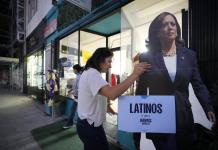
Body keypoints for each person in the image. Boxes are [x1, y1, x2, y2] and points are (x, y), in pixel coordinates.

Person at [133, 12, 216, 150]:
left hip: (183, 116)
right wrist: (138, 123)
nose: (170, 27)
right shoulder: (147, 57)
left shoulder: (189, 55)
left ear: (177, 29)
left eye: (173, 24)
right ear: (157, 32)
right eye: (165, 25)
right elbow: (142, 89)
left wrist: (208, 106)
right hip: (158, 117)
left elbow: (198, 84)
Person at [76, 47, 151, 150]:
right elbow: (112, 94)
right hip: (88, 125)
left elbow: (98, 94)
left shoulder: (91, 73)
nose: (110, 65)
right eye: (109, 61)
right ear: (99, 60)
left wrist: (107, 108)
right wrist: (134, 75)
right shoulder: (92, 74)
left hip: (91, 124)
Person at [63, 64, 83, 129]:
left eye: (73, 69)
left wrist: (72, 91)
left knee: (74, 110)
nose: (73, 71)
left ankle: (70, 123)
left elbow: (79, 88)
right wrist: (71, 90)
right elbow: (76, 86)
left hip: (79, 97)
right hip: (77, 96)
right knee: (74, 110)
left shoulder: (80, 76)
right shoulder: (78, 76)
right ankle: (71, 123)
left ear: (76, 69)